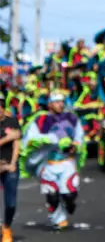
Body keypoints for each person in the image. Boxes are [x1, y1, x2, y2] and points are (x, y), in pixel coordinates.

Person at [21, 91, 84, 230]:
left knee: (69, 194)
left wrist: (75, 145)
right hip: (48, 164)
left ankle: (69, 203)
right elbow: (31, 140)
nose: (60, 104)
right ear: (49, 104)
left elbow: (79, 135)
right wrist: (51, 139)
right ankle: (58, 219)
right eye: (56, 102)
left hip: (67, 162)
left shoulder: (71, 118)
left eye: (62, 101)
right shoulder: (41, 120)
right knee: (52, 196)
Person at [0, 101, 20, 242]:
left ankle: (6, 227)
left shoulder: (12, 121)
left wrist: (13, 163)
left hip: (9, 166)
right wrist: (7, 138)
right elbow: (12, 137)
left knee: (11, 203)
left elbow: (17, 142)